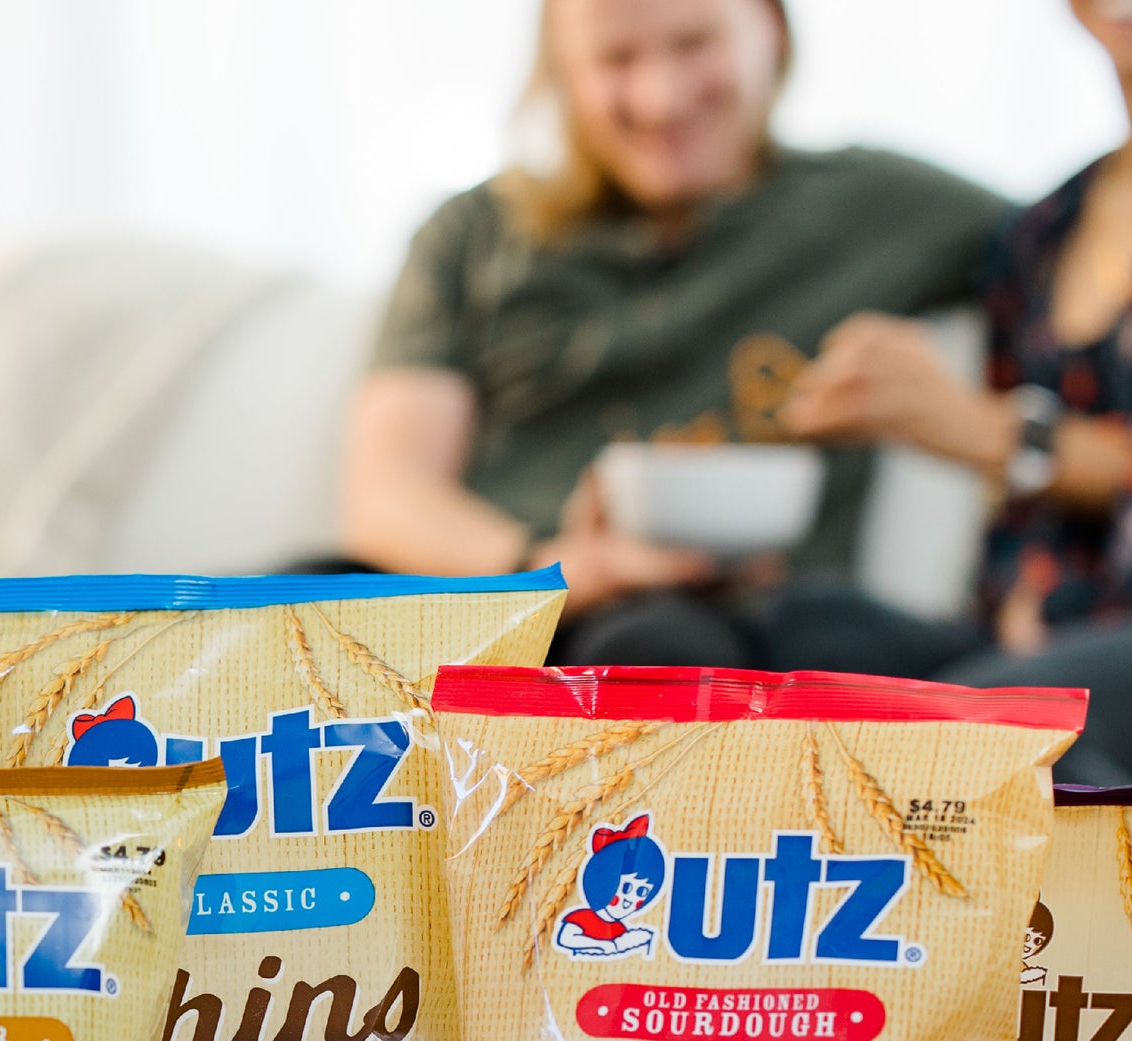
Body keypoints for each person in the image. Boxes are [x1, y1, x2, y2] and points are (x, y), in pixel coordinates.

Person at [337, 0, 1006, 664]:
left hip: (713, 620)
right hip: (490, 593)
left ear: (769, 30)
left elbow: (1094, 247)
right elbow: (391, 496)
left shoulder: (880, 212)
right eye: (616, 59)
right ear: (563, 69)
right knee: (290, 612)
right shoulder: (474, 233)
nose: (661, 99)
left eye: (693, 43)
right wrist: (551, 572)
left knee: (654, 654)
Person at [770, 0, 1132, 780]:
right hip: (1020, 641)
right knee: (792, 630)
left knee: (963, 735)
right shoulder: (1039, 233)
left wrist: (989, 430)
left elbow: (999, 436)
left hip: (1090, 659)